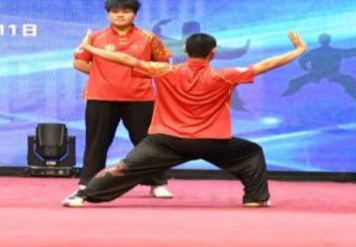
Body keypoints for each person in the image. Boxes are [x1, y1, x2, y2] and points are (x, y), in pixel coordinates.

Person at [63, 30, 308, 208]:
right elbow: (266, 65)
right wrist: (298, 50)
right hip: (212, 142)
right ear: (213, 53)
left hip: (165, 141)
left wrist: (92, 49)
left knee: (125, 167)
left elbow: (127, 60)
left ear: (185, 51)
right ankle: (255, 198)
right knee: (251, 153)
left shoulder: (164, 71)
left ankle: (82, 196)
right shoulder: (225, 76)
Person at [74, 0, 174, 198]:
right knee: (97, 142)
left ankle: (157, 183)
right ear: (108, 14)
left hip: (140, 97)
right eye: (115, 11)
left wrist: (140, 74)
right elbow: (79, 62)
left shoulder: (148, 38)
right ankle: (88, 182)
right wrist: (103, 75)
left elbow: (163, 64)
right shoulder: (94, 37)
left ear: (135, 14)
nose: (120, 15)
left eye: (126, 11)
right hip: (101, 96)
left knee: (148, 142)